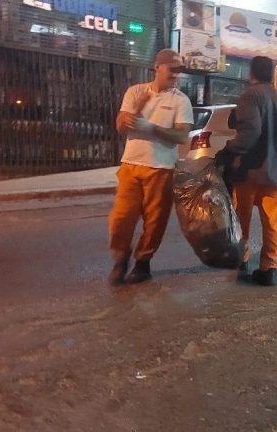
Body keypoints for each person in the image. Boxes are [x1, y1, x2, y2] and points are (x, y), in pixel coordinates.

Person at [108, 49, 194, 286]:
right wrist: (130, 117)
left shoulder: (180, 100)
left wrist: (151, 128)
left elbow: (182, 136)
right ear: (157, 67)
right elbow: (120, 126)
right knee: (121, 218)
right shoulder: (135, 92)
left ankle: (143, 262)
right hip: (131, 165)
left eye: (179, 71)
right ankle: (121, 257)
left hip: (162, 168)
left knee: (155, 221)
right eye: (172, 69)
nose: (176, 75)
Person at [217, 56, 277, 286]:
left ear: (251, 74)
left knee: (242, 219)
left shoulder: (250, 95)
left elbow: (250, 132)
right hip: (276, 174)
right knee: (273, 224)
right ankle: (268, 268)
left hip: (249, 172)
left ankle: (242, 259)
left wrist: (228, 150)